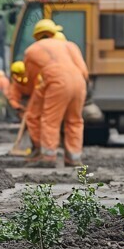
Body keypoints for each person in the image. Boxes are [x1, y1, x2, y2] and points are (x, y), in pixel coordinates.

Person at [24, 19, 87, 168]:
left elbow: (32, 79)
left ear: (37, 36)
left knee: (50, 120)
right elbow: (84, 70)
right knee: (75, 121)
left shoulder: (32, 50)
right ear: (53, 32)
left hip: (57, 82)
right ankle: (74, 158)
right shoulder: (70, 45)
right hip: (79, 82)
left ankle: (48, 156)